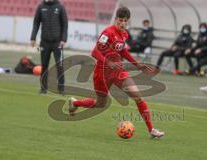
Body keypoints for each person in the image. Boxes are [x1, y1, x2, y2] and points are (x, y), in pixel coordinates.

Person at [68, 7, 164, 138]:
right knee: (100, 104)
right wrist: (108, 62)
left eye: (125, 21)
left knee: (138, 97)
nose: (122, 23)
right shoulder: (107, 33)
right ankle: (75, 103)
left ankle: (152, 130)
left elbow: (123, 51)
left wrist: (137, 64)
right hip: (102, 73)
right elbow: (94, 52)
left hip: (118, 72)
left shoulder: (124, 34)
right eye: (120, 20)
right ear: (116, 19)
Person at [30, 0, 68, 94]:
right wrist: (33, 38)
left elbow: (65, 24)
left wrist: (63, 39)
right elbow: (36, 23)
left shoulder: (60, 7)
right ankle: (43, 88)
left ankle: (61, 89)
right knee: (44, 66)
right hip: (44, 42)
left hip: (57, 43)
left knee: (59, 65)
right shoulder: (41, 6)